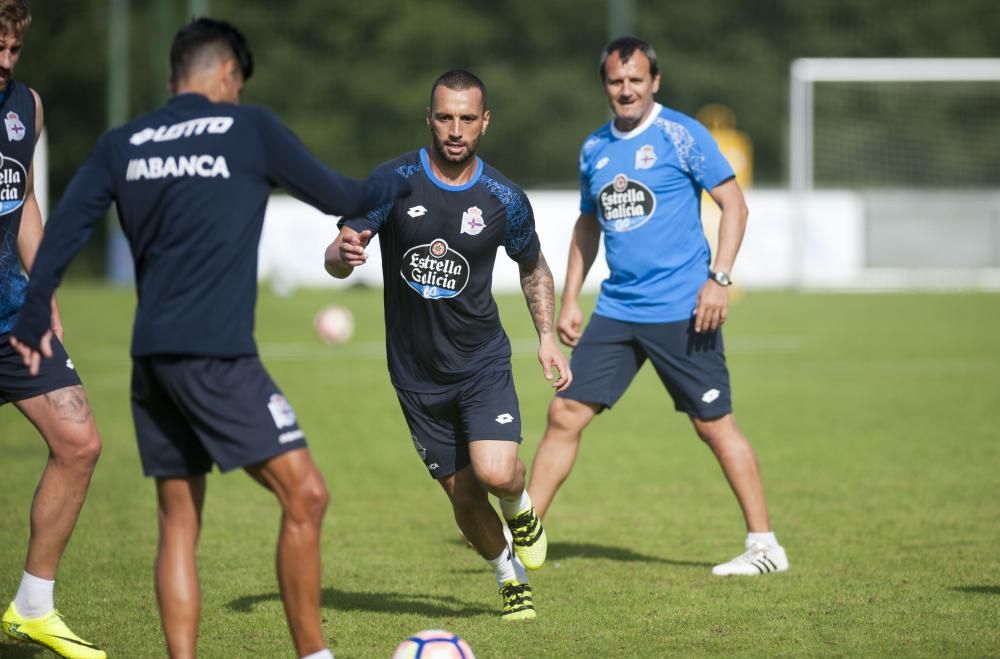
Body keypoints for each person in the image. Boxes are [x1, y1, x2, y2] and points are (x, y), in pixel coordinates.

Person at [11, 18, 410, 659]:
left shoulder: (125, 143)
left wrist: (34, 313)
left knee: (178, 519)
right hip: (216, 358)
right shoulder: (248, 129)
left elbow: (61, 231)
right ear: (228, 76)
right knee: (306, 495)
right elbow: (342, 195)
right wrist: (393, 185)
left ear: (176, 77)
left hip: (153, 361)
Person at [527, 36, 789, 576]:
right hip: (619, 308)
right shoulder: (594, 148)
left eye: (636, 80)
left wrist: (719, 279)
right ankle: (520, 540)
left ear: (655, 82)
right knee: (564, 413)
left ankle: (765, 546)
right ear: (606, 85)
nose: (626, 90)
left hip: (683, 308)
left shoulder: (681, 134)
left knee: (714, 426)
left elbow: (734, 205)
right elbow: (587, 224)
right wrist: (572, 297)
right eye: (616, 82)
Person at [325, 70, 570, 621]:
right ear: (429, 119)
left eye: (466, 118)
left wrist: (548, 337)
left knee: (496, 472)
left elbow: (533, 267)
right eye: (444, 117)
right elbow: (339, 255)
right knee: (463, 496)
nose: (455, 130)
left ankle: (519, 505)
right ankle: (509, 575)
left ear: (485, 122)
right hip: (414, 374)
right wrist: (342, 255)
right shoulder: (392, 180)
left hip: (481, 361)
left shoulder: (503, 196)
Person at [0, 2, 107, 657]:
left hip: (14, 318)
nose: (6, 63)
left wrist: (46, 290)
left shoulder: (26, 107)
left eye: (13, 50)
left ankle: (32, 607)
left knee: (79, 441)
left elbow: (25, 199)